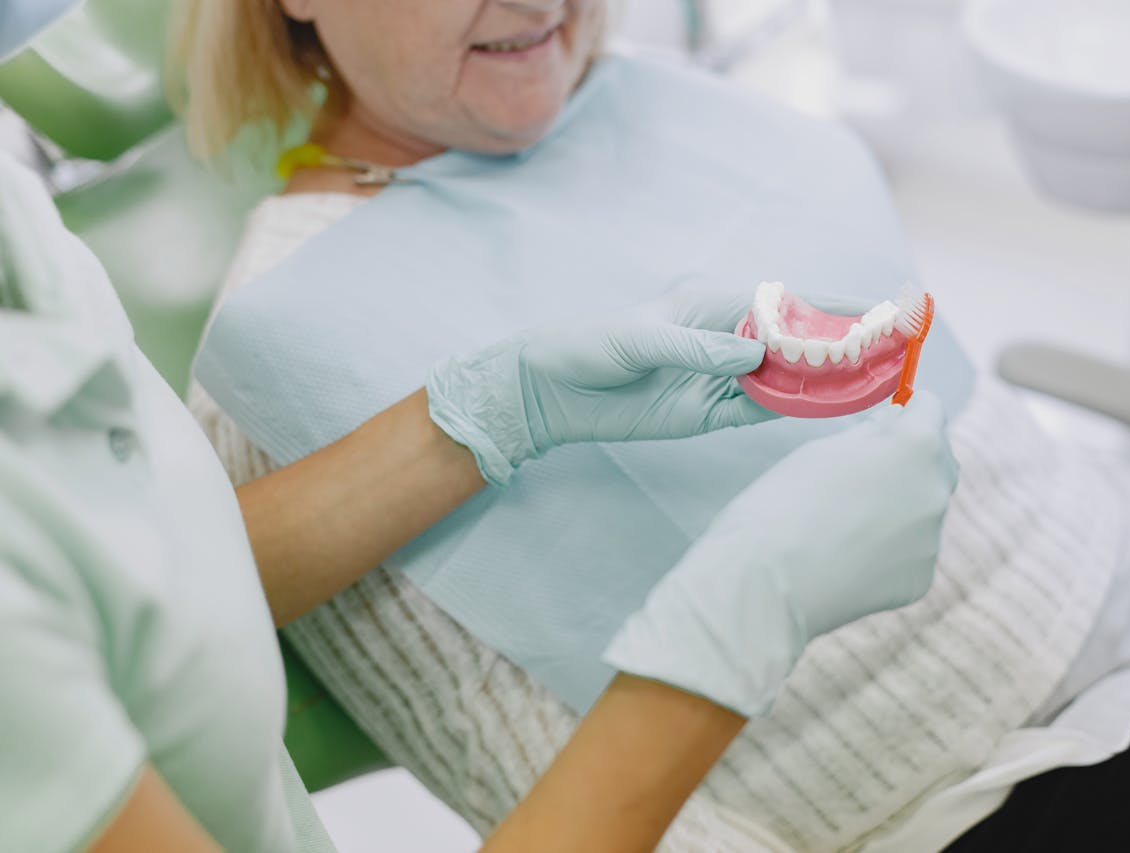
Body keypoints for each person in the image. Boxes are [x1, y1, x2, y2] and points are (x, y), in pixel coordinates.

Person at [174, 1, 1130, 851]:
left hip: (1107, 538)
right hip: (961, 785)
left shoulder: (639, 91)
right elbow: (514, 763)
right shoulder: (289, 346)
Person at [0, 4, 961, 852]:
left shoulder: (27, 240)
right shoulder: (288, 333)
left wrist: (492, 410)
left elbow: (157, 565)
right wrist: (732, 630)